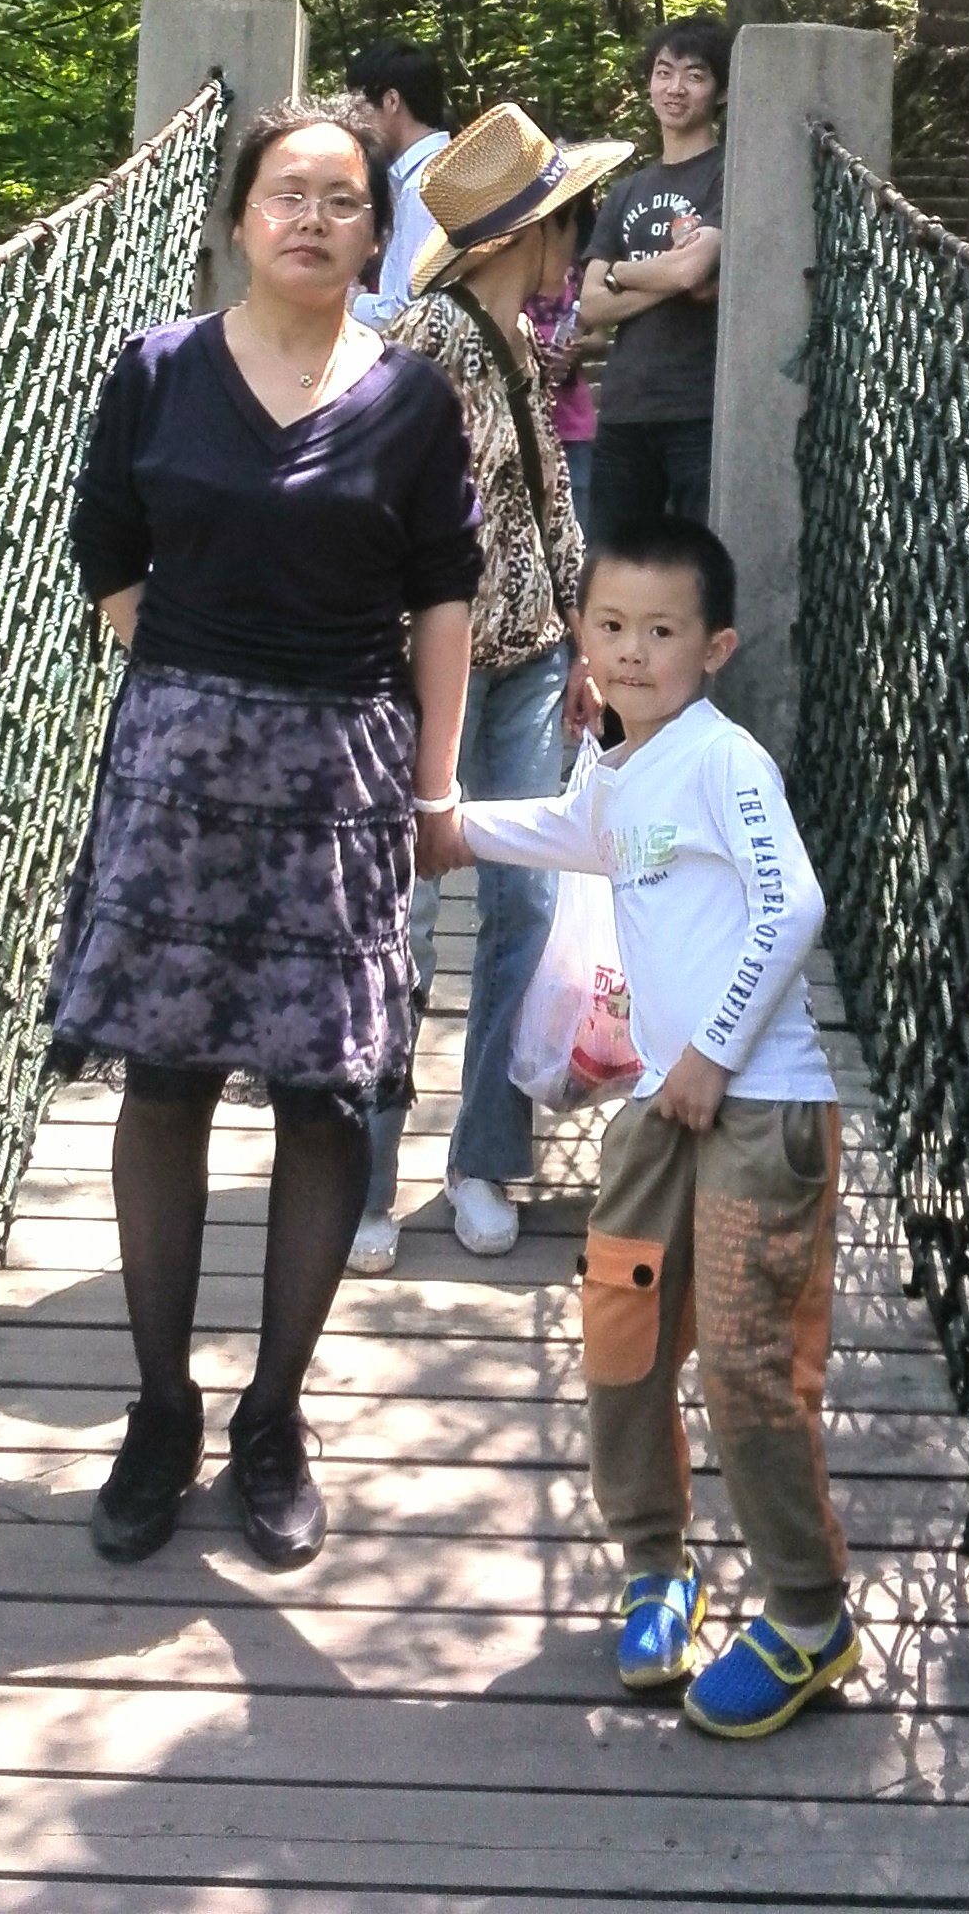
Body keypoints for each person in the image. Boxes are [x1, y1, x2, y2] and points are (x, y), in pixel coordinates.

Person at [50, 95, 479, 1573]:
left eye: (342, 200)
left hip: (346, 769)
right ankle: (161, 1410)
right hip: (179, 769)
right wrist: (198, 684)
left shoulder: (414, 400)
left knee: (324, 1094)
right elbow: (109, 550)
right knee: (165, 1080)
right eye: (286, 193)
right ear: (238, 218)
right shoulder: (158, 369)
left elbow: (444, 596)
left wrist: (434, 788)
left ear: (375, 235)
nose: (311, 218)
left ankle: (274, 1418)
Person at [420, 515, 857, 1738]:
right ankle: (657, 1566)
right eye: (609, 626)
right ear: (581, 635)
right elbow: (575, 836)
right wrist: (450, 825)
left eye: (661, 632)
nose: (630, 651)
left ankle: (808, 1619)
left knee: (745, 1364)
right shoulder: (618, 771)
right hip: (664, 1107)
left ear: (713, 648)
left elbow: (791, 906)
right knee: (623, 1334)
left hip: (756, 1104)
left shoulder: (725, 761)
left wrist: (714, 1051)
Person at [348, 104, 630, 1271]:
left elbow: (548, 505)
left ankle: (481, 1158)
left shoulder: (515, 336)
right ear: (529, 233)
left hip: (526, 666)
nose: (581, 240)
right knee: (397, 919)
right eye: (571, 220)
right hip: (423, 673)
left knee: (523, 907)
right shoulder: (426, 346)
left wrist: (582, 646)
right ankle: (365, 1181)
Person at [579, 17, 730, 529]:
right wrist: (669, 277)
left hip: (699, 409)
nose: (675, 88)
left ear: (721, 91)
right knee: (613, 560)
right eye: (664, 72)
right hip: (624, 410)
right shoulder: (626, 191)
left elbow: (689, 270)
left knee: (700, 562)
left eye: (695, 75)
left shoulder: (729, 174)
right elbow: (591, 305)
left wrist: (621, 272)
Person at [344, 40, 449, 326]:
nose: (355, 125)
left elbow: (409, 312)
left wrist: (352, 302)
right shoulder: (443, 168)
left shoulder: (421, 186)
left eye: (360, 110)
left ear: (391, 101)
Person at [523, 187, 601, 536]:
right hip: (529, 423)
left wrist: (575, 347)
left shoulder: (574, 278)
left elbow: (597, 334)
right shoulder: (518, 282)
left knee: (578, 525)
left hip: (574, 424)